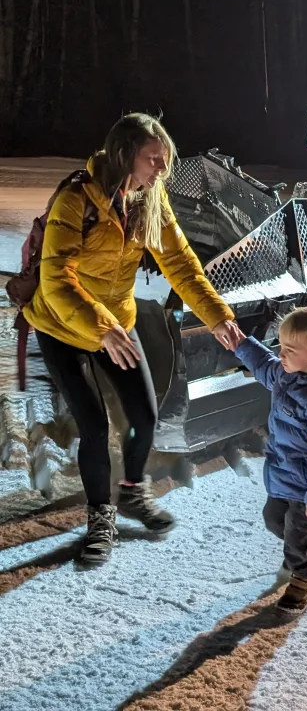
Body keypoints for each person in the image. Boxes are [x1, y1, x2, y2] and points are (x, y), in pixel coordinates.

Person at [24, 113, 238, 566]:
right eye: (153, 159)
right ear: (124, 155)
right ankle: (100, 517)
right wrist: (102, 327)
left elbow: (181, 265)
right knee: (95, 426)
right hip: (62, 325)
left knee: (144, 414)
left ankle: (131, 492)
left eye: (165, 159)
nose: (163, 168)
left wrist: (217, 316)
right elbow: (56, 280)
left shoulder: (149, 200)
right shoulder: (76, 199)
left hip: (114, 326)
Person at [226, 304, 307, 613]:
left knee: (295, 542)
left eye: (289, 350)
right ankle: (306, 543)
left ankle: (302, 582)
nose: (281, 354)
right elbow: (264, 365)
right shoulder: (288, 374)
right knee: (273, 521)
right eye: (281, 346)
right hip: (283, 474)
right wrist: (241, 344)